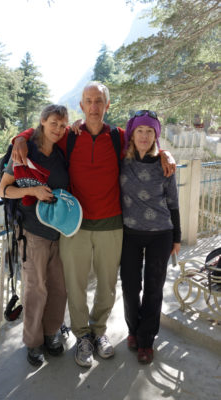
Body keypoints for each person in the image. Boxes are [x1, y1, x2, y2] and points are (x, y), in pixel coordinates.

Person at [11, 82, 176, 368]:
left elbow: (145, 141)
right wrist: (19, 138)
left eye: (99, 101)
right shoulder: (70, 137)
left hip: (112, 224)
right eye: (89, 101)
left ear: (107, 105)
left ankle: (99, 332)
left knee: (108, 285)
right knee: (74, 286)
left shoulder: (118, 137)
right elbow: (44, 132)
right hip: (75, 225)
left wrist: (165, 154)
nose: (95, 107)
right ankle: (82, 336)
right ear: (82, 106)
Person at [0, 104, 69, 367]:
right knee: (36, 289)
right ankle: (33, 342)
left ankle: (51, 334)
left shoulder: (60, 152)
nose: (58, 129)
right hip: (32, 232)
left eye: (62, 125)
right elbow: (3, 190)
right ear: (42, 122)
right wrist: (33, 191)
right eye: (53, 123)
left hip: (60, 232)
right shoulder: (25, 150)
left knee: (59, 289)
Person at [119, 110, 181, 365]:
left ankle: (146, 340)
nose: (144, 136)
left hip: (160, 234)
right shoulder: (121, 159)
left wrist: (177, 237)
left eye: (149, 132)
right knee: (130, 287)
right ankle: (133, 330)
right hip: (129, 234)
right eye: (140, 131)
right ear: (131, 135)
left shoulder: (164, 164)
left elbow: (173, 203)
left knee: (154, 289)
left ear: (156, 136)